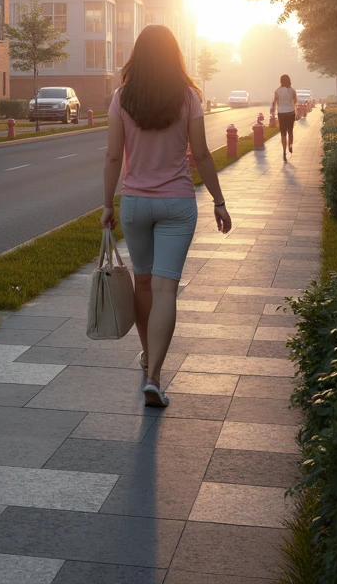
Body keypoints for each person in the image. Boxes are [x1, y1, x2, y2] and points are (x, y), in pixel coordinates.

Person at [102, 24, 232, 409]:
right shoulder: (188, 96)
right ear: (174, 55)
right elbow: (203, 154)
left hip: (136, 204)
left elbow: (112, 156)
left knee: (143, 286)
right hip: (177, 204)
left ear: (137, 56)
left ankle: (147, 358)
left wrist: (108, 203)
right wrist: (219, 201)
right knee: (165, 290)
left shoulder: (121, 97)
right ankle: (155, 375)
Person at [271, 74, 297, 162]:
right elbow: (295, 101)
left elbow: (274, 102)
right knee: (290, 131)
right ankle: (290, 145)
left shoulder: (277, 91)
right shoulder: (292, 90)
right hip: (290, 112)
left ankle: (284, 151)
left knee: (283, 133)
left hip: (281, 113)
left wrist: (273, 111)